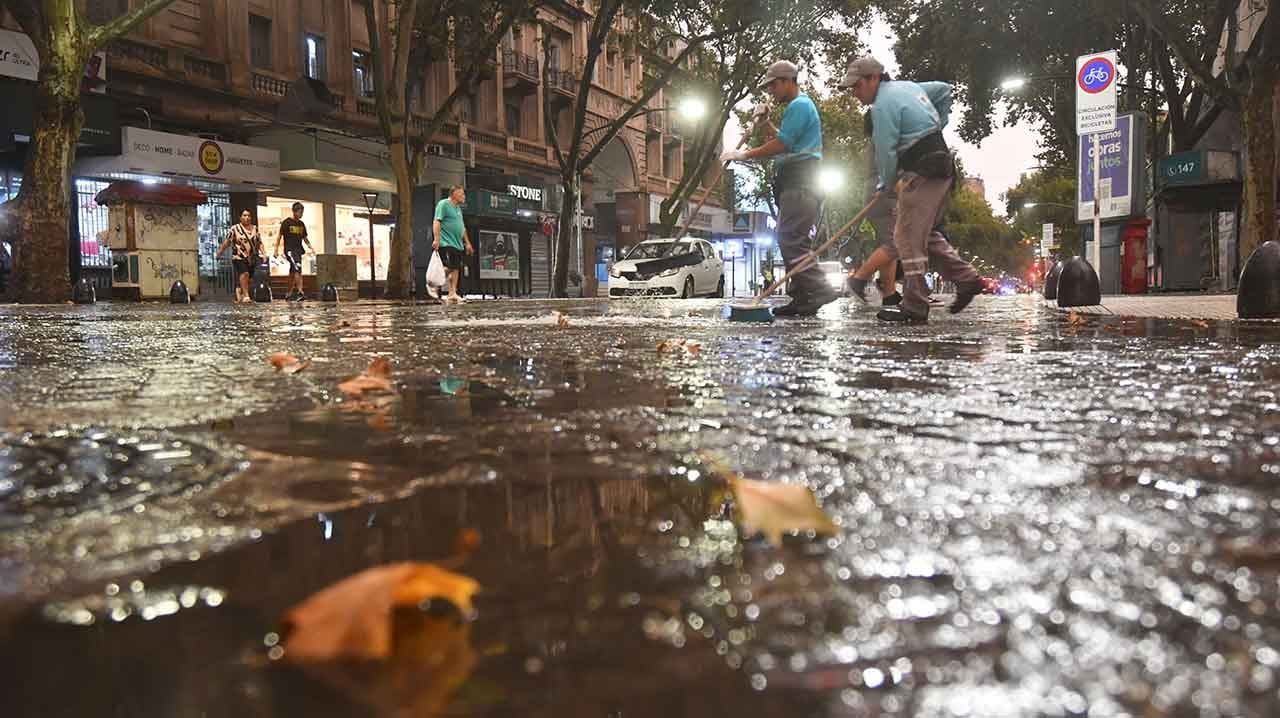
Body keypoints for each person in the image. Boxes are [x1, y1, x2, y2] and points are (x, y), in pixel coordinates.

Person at [839, 56, 983, 323]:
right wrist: (938, 123)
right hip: (940, 165)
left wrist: (885, 183)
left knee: (906, 238)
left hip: (922, 169)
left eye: (857, 87)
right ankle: (967, 279)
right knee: (923, 234)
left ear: (873, 79)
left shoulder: (880, 107)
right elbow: (944, 90)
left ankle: (915, 305)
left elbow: (886, 151)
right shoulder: (910, 87)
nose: (855, 94)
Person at [720, 60, 834, 317]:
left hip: (801, 182)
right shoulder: (799, 107)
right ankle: (803, 298)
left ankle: (818, 287)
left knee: (789, 238)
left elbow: (782, 145)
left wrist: (743, 155)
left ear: (786, 81)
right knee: (794, 239)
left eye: (773, 86)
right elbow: (789, 140)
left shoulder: (800, 105)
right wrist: (765, 125)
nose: (771, 92)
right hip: (798, 182)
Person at [846, 111, 901, 307]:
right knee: (896, 244)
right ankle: (859, 278)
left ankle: (889, 293)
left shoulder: (874, 141)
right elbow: (891, 167)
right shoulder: (884, 139)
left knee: (888, 244)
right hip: (885, 192)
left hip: (873, 191)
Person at [432, 185, 474, 304]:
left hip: (457, 243)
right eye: (461, 194)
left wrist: (467, 243)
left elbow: (462, 227)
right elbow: (437, 220)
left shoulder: (458, 209)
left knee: (455, 268)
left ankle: (452, 293)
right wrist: (436, 239)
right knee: (448, 267)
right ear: (454, 194)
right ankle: (433, 285)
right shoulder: (443, 204)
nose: (464, 196)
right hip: (446, 242)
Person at [217, 209, 263, 303]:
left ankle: (239, 289)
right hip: (238, 256)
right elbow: (227, 241)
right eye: (244, 215)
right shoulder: (234, 229)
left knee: (249, 278)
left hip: (251, 257)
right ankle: (246, 296)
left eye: (249, 216)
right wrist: (220, 252)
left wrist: (264, 253)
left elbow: (259, 242)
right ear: (240, 217)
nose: (247, 218)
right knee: (244, 273)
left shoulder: (255, 228)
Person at [274, 202, 314, 301]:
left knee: (293, 271)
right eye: (300, 212)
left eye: (302, 212)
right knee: (297, 267)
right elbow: (279, 236)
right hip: (289, 250)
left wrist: (310, 247)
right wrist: (276, 249)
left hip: (298, 250)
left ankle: (289, 293)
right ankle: (300, 292)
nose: (301, 214)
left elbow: (305, 237)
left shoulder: (301, 224)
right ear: (294, 211)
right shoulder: (287, 222)